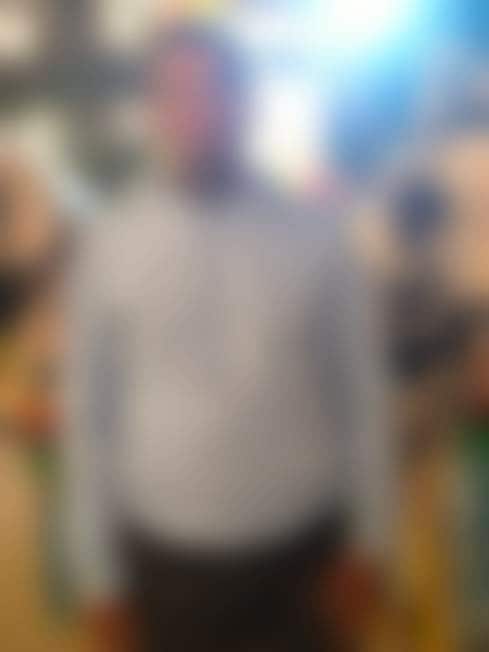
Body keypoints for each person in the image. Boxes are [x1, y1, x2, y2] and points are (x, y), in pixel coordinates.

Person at [64, 22, 395, 652]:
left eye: (218, 90)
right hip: (165, 576)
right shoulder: (109, 247)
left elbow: (363, 399)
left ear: (248, 103)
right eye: (178, 93)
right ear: (153, 111)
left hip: (305, 567)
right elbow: (90, 422)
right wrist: (98, 579)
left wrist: (371, 542)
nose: (201, 112)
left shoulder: (319, 239)